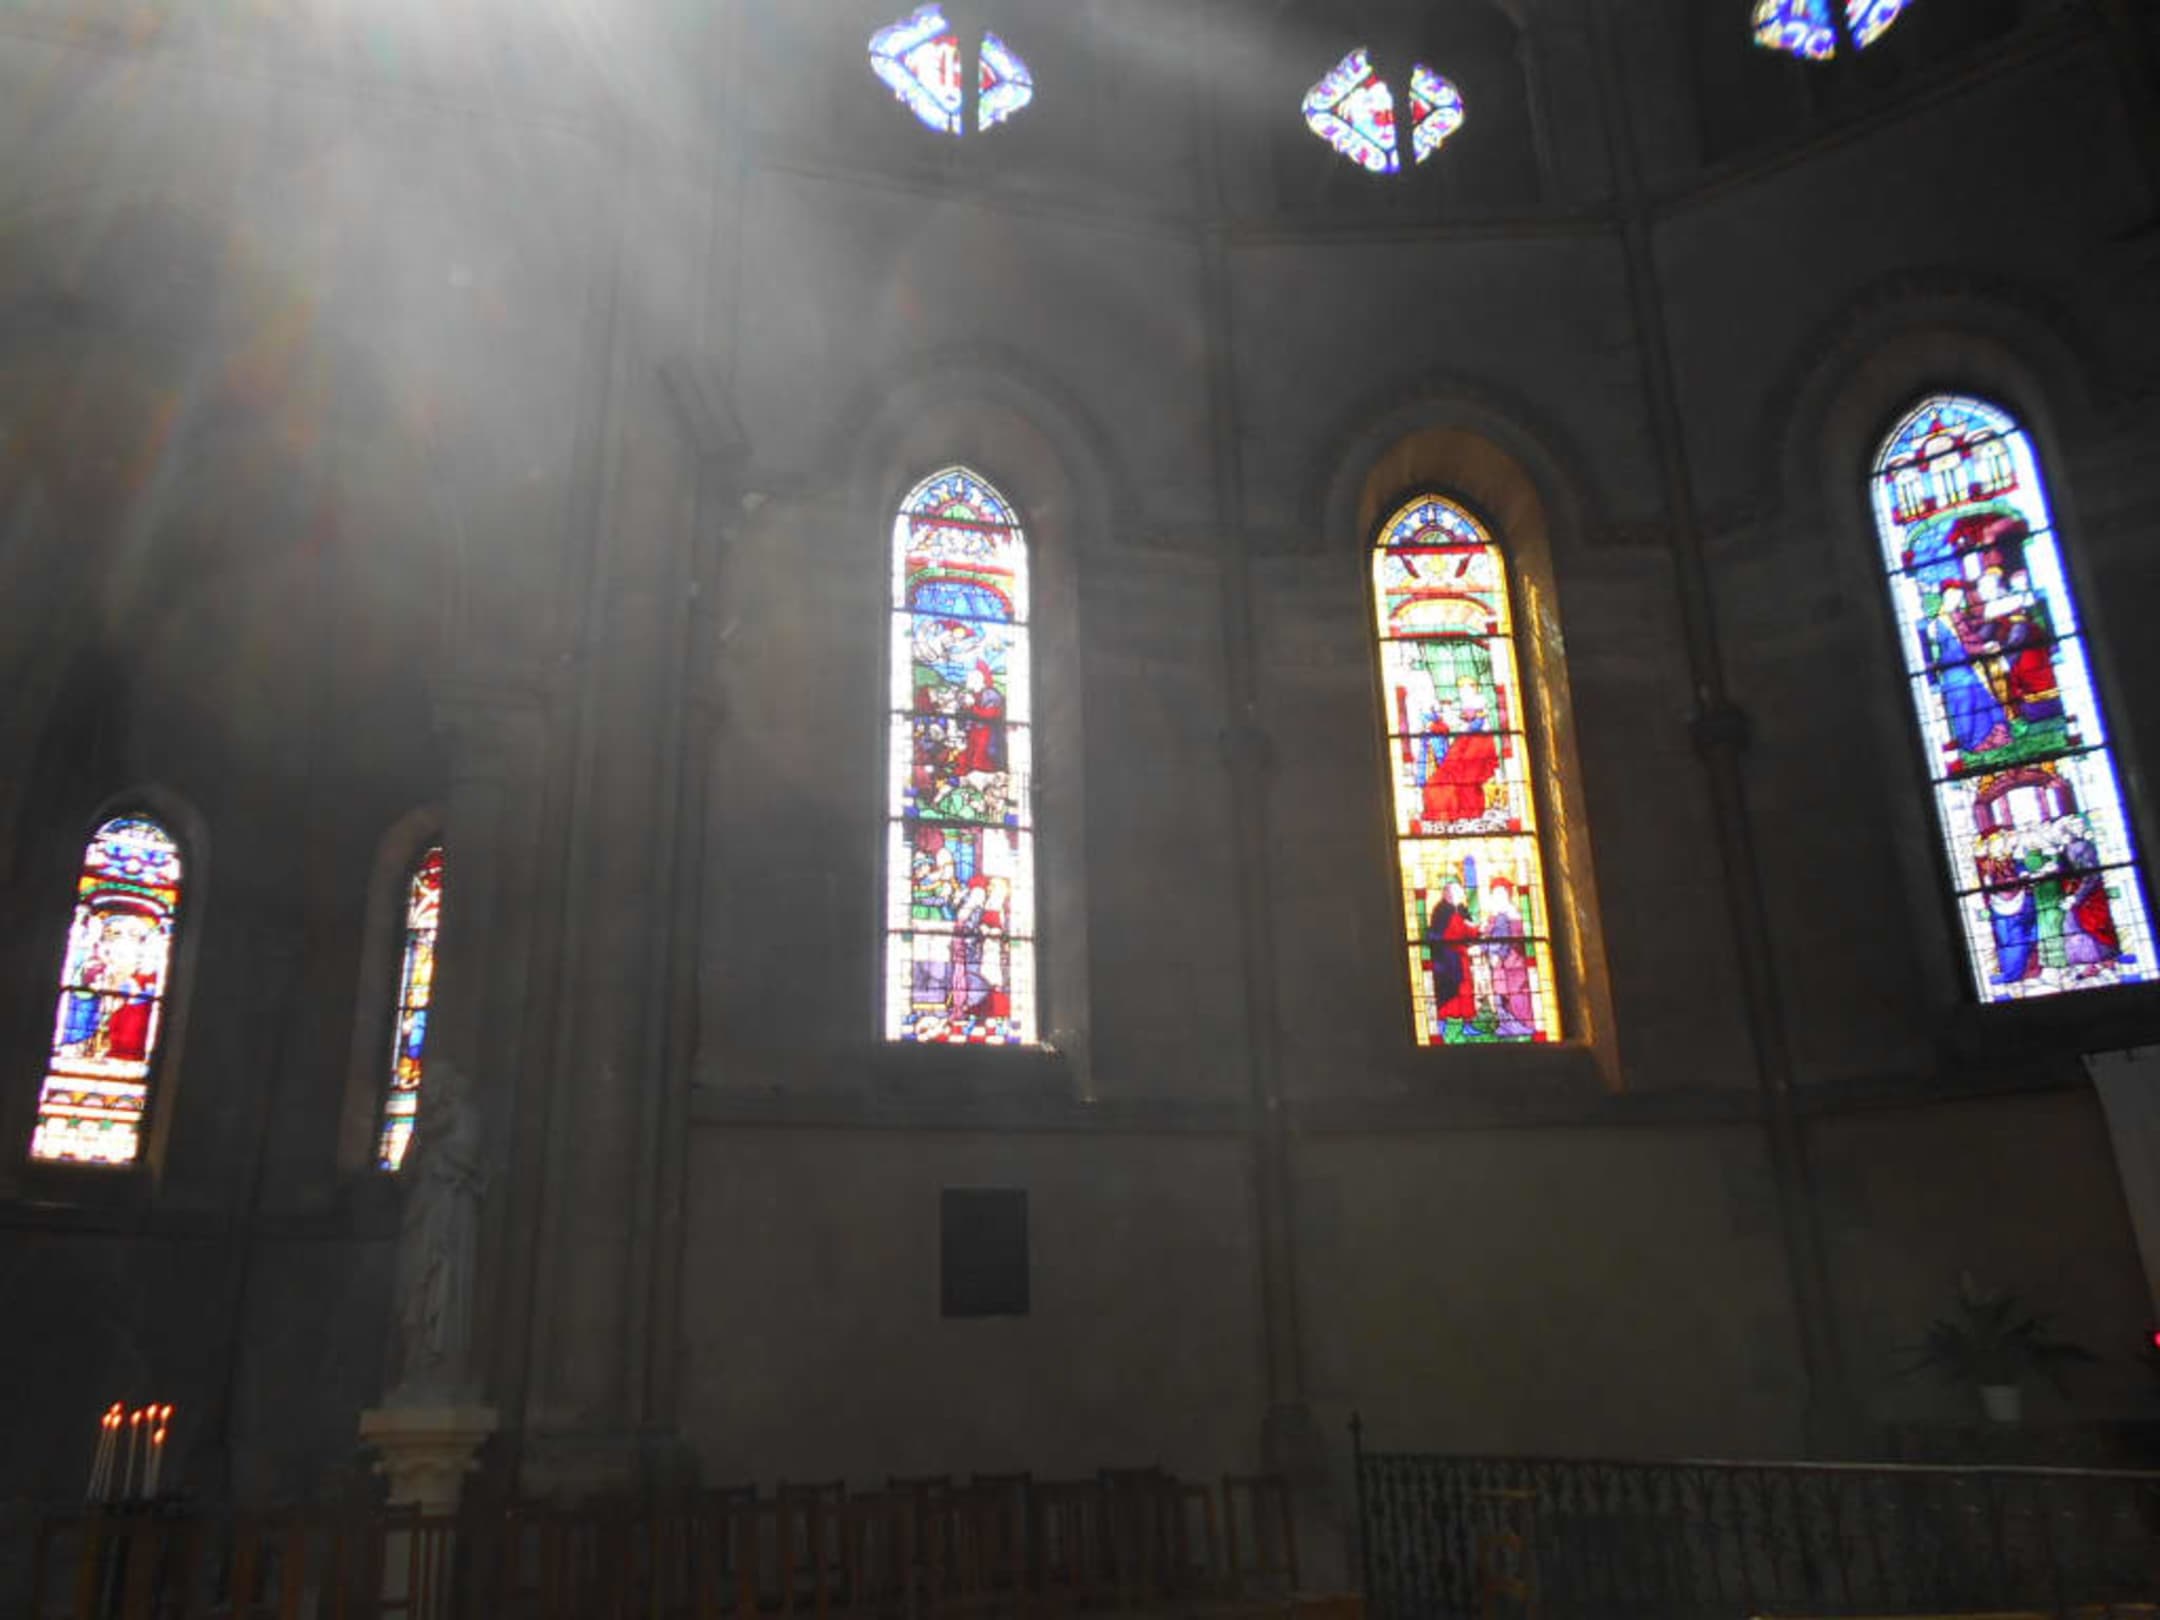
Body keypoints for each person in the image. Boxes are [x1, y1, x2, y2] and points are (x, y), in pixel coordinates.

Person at [1419, 683, 1500, 827]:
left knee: (1440, 787)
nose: (1464, 711)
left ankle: (1448, 814)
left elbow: (1472, 760)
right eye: (1465, 708)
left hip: (1464, 772)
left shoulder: (1482, 734)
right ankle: (1442, 815)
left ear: (1477, 711)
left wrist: (1453, 767)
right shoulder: (1468, 729)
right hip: (1455, 769)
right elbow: (1455, 750)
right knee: (1433, 784)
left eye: (1468, 709)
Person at [1483, 878, 1535, 1038]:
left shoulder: (1515, 915)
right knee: (1501, 992)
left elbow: (1518, 938)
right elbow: (1488, 936)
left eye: (1501, 894)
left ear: (1508, 895)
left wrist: (1501, 952)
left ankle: (1524, 1025)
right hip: (1500, 965)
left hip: (1515, 963)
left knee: (1517, 994)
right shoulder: (1495, 916)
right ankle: (1507, 1025)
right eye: (1495, 895)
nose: (1498, 898)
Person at [1425, 880, 1478, 1035]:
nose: (1461, 894)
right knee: (1446, 991)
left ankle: (1467, 1025)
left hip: (1460, 958)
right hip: (1445, 960)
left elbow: (1469, 930)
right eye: (1457, 892)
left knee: (1465, 990)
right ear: (1446, 894)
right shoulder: (1441, 911)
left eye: (1460, 891)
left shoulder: (1461, 909)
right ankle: (1442, 1026)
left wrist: (1475, 931)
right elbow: (1438, 934)